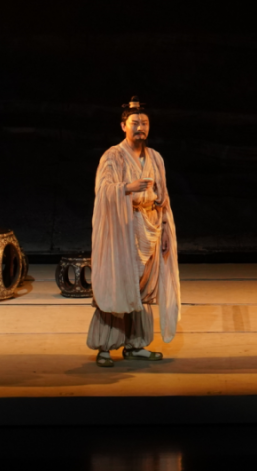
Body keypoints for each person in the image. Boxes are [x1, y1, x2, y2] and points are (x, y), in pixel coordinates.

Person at [88, 97, 180, 367]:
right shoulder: (113, 156)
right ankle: (105, 348)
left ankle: (136, 344)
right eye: (135, 123)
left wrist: (165, 230)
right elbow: (103, 190)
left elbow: (163, 198)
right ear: (123, 126)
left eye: (145, 123)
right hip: (123, 228)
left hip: (150, 226)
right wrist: (128, 188)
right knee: (119, 284)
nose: (141, 127)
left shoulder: (156, 158)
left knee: (143, 290)